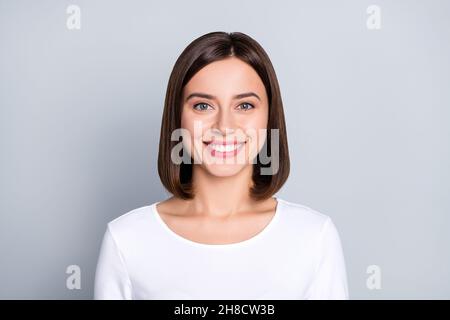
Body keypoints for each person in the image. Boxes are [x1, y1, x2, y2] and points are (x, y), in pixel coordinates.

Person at [94, 31, 349, 300]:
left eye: (245, 105)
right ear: (178, 116)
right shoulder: (127, 240)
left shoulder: (313, 237)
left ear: (269, 117)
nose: (224, 127)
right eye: (203, 106)